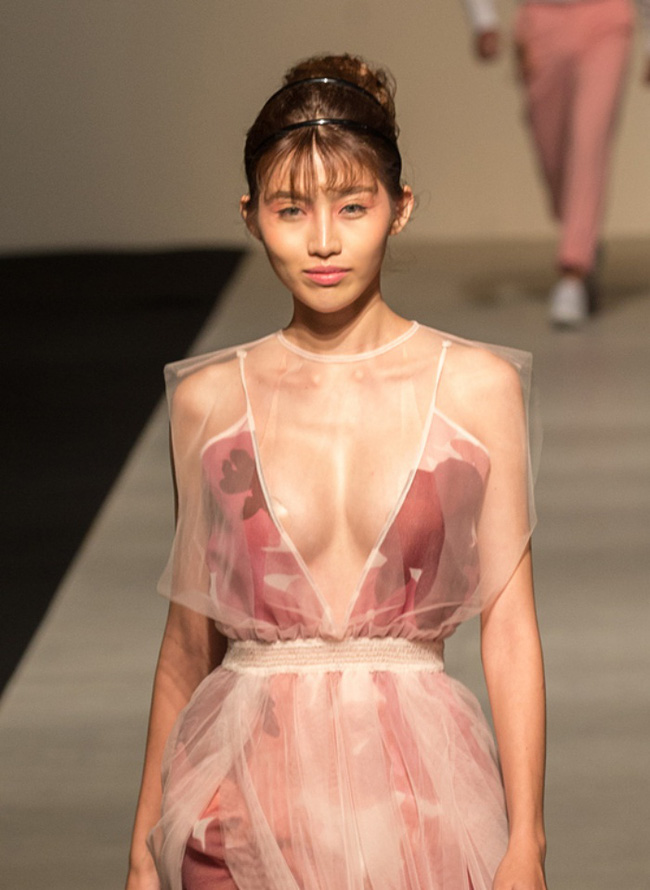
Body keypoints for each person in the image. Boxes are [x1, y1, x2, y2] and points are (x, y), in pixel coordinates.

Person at [126, 53, 547, 890]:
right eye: (292, 209)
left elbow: (509, 629)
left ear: (400, 208)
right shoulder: (209, 401)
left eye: (353, 206)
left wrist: (527, 841)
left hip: (419, 808)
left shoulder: (476, 389)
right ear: (252, 217)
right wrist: (142, 851)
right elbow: (188, 642)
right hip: (239, 811)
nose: (323, 240)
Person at [463, 0, 650, 326]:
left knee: (590, 138)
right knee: (551, 150)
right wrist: (483, 20)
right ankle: (584, 239)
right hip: (541, 20)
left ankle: (573, 272)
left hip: (607, 16)